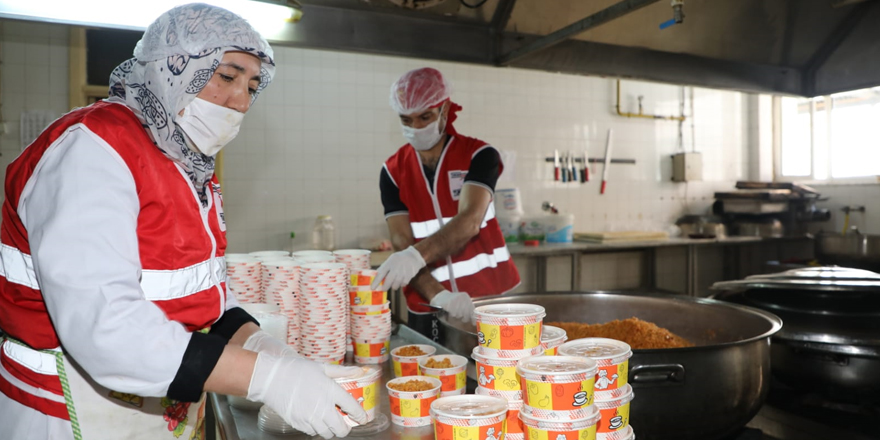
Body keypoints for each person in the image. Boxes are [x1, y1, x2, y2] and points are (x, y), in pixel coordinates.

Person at [0, 5, 364, 440]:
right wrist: (266, 378)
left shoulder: (187, 167)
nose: (242, 100)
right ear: (173, 66)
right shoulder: (93, 152)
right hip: (64, 414)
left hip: (158, 414)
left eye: (252, 86)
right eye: (227, 76)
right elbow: (108, 330)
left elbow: (202, 298)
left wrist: (268, 351)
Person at [374, 68, 520, 339]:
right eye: (407, 120)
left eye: (425, 117)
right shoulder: (392, 171)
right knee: (432, 377)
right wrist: (440, 296)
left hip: (490, 299)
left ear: (445, 109)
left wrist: (416, 256)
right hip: (428, 303)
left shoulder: (479, 155)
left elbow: (470, 220)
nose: (416, 127)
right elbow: (401, 239)